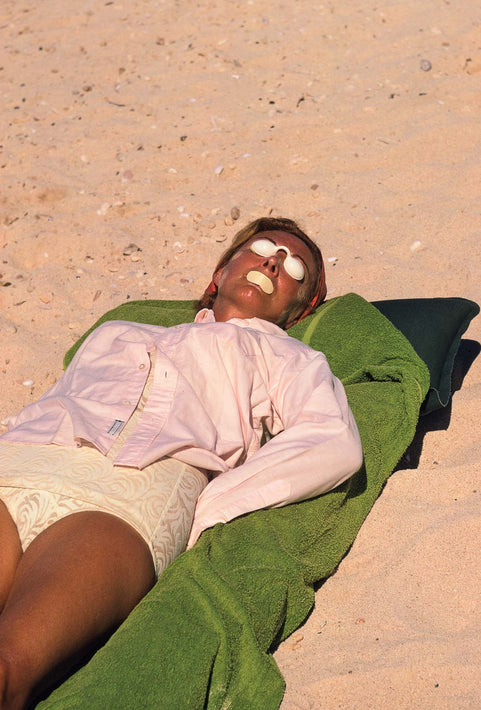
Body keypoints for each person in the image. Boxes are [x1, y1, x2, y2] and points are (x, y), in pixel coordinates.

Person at [0, 217, 363, 708]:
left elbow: (332, 440)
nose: (275, 260)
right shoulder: (118, 330)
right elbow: (53, 400)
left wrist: (213, 504)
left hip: (128, 503)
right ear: (221, 270)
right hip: (24, 464)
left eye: (295, 267)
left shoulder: (286, 357)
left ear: (303, 308)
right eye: (261, 247)